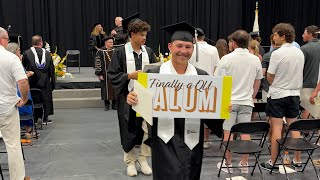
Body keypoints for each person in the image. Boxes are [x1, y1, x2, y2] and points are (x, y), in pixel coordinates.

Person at [127, 21, 224, 180]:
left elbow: (211, 116)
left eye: (188, 47)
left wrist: (221, 108)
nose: (183, 51)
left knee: (189, 174)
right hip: (163, 142)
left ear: (193, 49)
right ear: (170, 46)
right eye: (179, 46)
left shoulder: (202, 77)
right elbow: (139, 109)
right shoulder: (153, 75)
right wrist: (132, 100)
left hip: (192, 143)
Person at [107, 13, 156, 177]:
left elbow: (156, 74)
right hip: (127, 98)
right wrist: (129, 76)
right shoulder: (121, 52)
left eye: (146, 34)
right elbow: (112, 74)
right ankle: (130, 161)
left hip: (146, 99)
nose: (144, 38)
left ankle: (143, 159)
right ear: (132, 34)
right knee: (128, 130)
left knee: (148, 130)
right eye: (141, 35)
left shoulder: (148, 52)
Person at [215, 30, 263, 174]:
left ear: (234, 43)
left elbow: (218, 81)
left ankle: (228, 163)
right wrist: (252, 97)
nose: (229, 44)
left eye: (230, 42)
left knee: (228, 133)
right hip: (247, 101)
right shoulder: (255, 59)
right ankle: (244, 163)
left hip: (229, 102)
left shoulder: (226, 59)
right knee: (245, 133)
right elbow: (257, 82)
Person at [260, 23, 304, 172]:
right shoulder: (299, 52)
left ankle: (273, 162)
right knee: (294, 127)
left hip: (278, 95)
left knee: (277, 128)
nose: (274, 37)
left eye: (276, 35)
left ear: (283, 36)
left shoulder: (277, 53)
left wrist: (277, 84)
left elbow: (270, 76)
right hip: (294, 95)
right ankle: (298, 160)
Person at [0, 27, 31, 180]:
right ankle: (17, 178)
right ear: (2, 40)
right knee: (12, 146)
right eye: (7, 40)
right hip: (7, 108)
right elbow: (23, 81)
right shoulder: (10, 58)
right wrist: (24, 100)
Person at [189, 27, 220, 149]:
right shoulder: (213, 49)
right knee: (206, 111)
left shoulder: (191, 48)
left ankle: (193, 138)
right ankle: (206, 139)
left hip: (192, 83)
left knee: (193, 112)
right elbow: (217, 66)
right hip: (208, 83)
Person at [22, 35, 56, 124]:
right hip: (45, 82)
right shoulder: (47, 54)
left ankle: (34, 117)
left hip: (32, 81)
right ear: (41, 42)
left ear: (32, 43)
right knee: (45, 97)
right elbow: (52, 70)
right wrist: (53, 84)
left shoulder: (27, 53)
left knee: (34, 97)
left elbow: (23, 68)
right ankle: (45, 118)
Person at [7, 42, 35, 139]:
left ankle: (26, 130)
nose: (20, 52)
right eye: (18, 50)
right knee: (23, 108)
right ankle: (26, 130)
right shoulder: (13, 61)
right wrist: (28, 75)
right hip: (18, 89)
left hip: (19, 88)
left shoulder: (16, 60)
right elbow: (19, 78)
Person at [299, 25, 320, 120]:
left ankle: (304, 133)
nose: (302, 35)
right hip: (316, 85)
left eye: (304, 33)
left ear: (310, 34)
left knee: (307, 109)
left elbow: (299, 68)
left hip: (307, 84)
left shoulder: (304, 49)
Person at [95, 36, 117, 111]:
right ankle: (106, 105)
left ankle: (114, 104)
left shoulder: (115, 50)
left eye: (112, 42)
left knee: (115, 88)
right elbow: (98, 63)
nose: (112, 43)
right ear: (106, 43)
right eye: (110, 42)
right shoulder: (100, 52)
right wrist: (99, 74)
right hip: (105, 74)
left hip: (115, 73)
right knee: (105, 89)